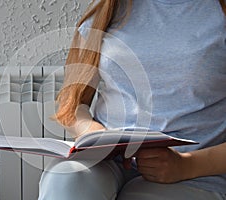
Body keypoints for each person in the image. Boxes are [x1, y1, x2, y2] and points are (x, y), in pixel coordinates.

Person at [38, 0, 226, 199]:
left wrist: (186, 164)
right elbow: (72, 102)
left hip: (193, 174)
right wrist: (90, 131)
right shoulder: (109, 9)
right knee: (65, 179)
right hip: (107, 161)